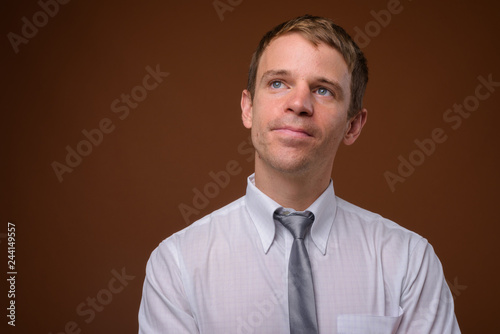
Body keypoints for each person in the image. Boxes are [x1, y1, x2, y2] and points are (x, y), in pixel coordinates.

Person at [138, 14, 460, 333]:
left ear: (353, 125)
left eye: (323, 90)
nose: (298, 103)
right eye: (278, 83)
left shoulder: (408, 262)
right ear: (248, 108)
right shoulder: (177, 265)